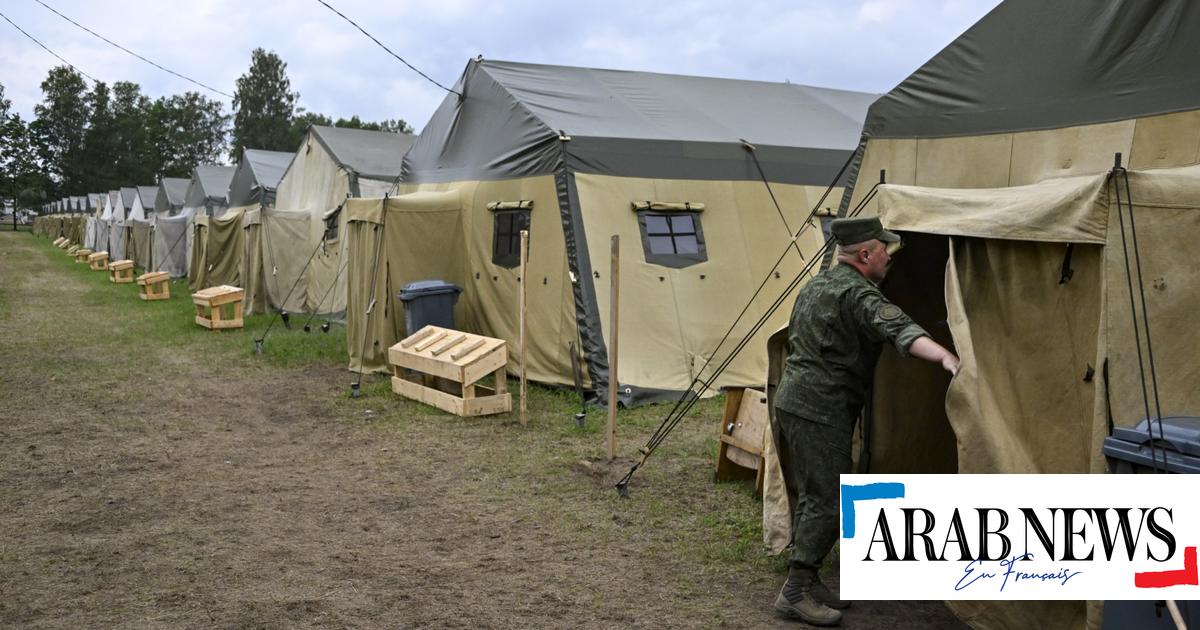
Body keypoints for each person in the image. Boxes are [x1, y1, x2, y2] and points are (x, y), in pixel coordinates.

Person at [772, 216, 959, 626]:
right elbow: (901, 329)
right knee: (831, 498)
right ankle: (796, 590)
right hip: (821, 408)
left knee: (814, 492)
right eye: (885, 253)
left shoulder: (817, 284)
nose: (889, 261)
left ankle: (808, 576)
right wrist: (946, 356)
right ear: (866, 254)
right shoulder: (858, 294)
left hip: (792, 401)